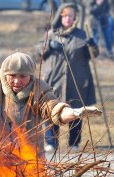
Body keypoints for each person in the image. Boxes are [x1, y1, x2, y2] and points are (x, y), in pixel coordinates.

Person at [0, 52, 101, 157]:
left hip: (31, 157)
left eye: (23, 76)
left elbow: (53, 108)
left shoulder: (39, 88)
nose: (17, 81)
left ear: (30, 76)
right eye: (12, 76)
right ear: (4, 74)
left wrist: (75, 113)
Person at [36, 2, 99, 152]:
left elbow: (93, 55)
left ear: (75, 18)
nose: (67, 19)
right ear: (60, 17)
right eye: (65, 16)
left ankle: (74, 143)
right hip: (53, 80)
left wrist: (92, 45)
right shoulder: (51, 34)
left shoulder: (81, 35)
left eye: (70, 16)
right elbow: (39, 50)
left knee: (76, 111)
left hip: (76, 80)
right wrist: (49, 45)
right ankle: (51, 142)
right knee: (51, 110)